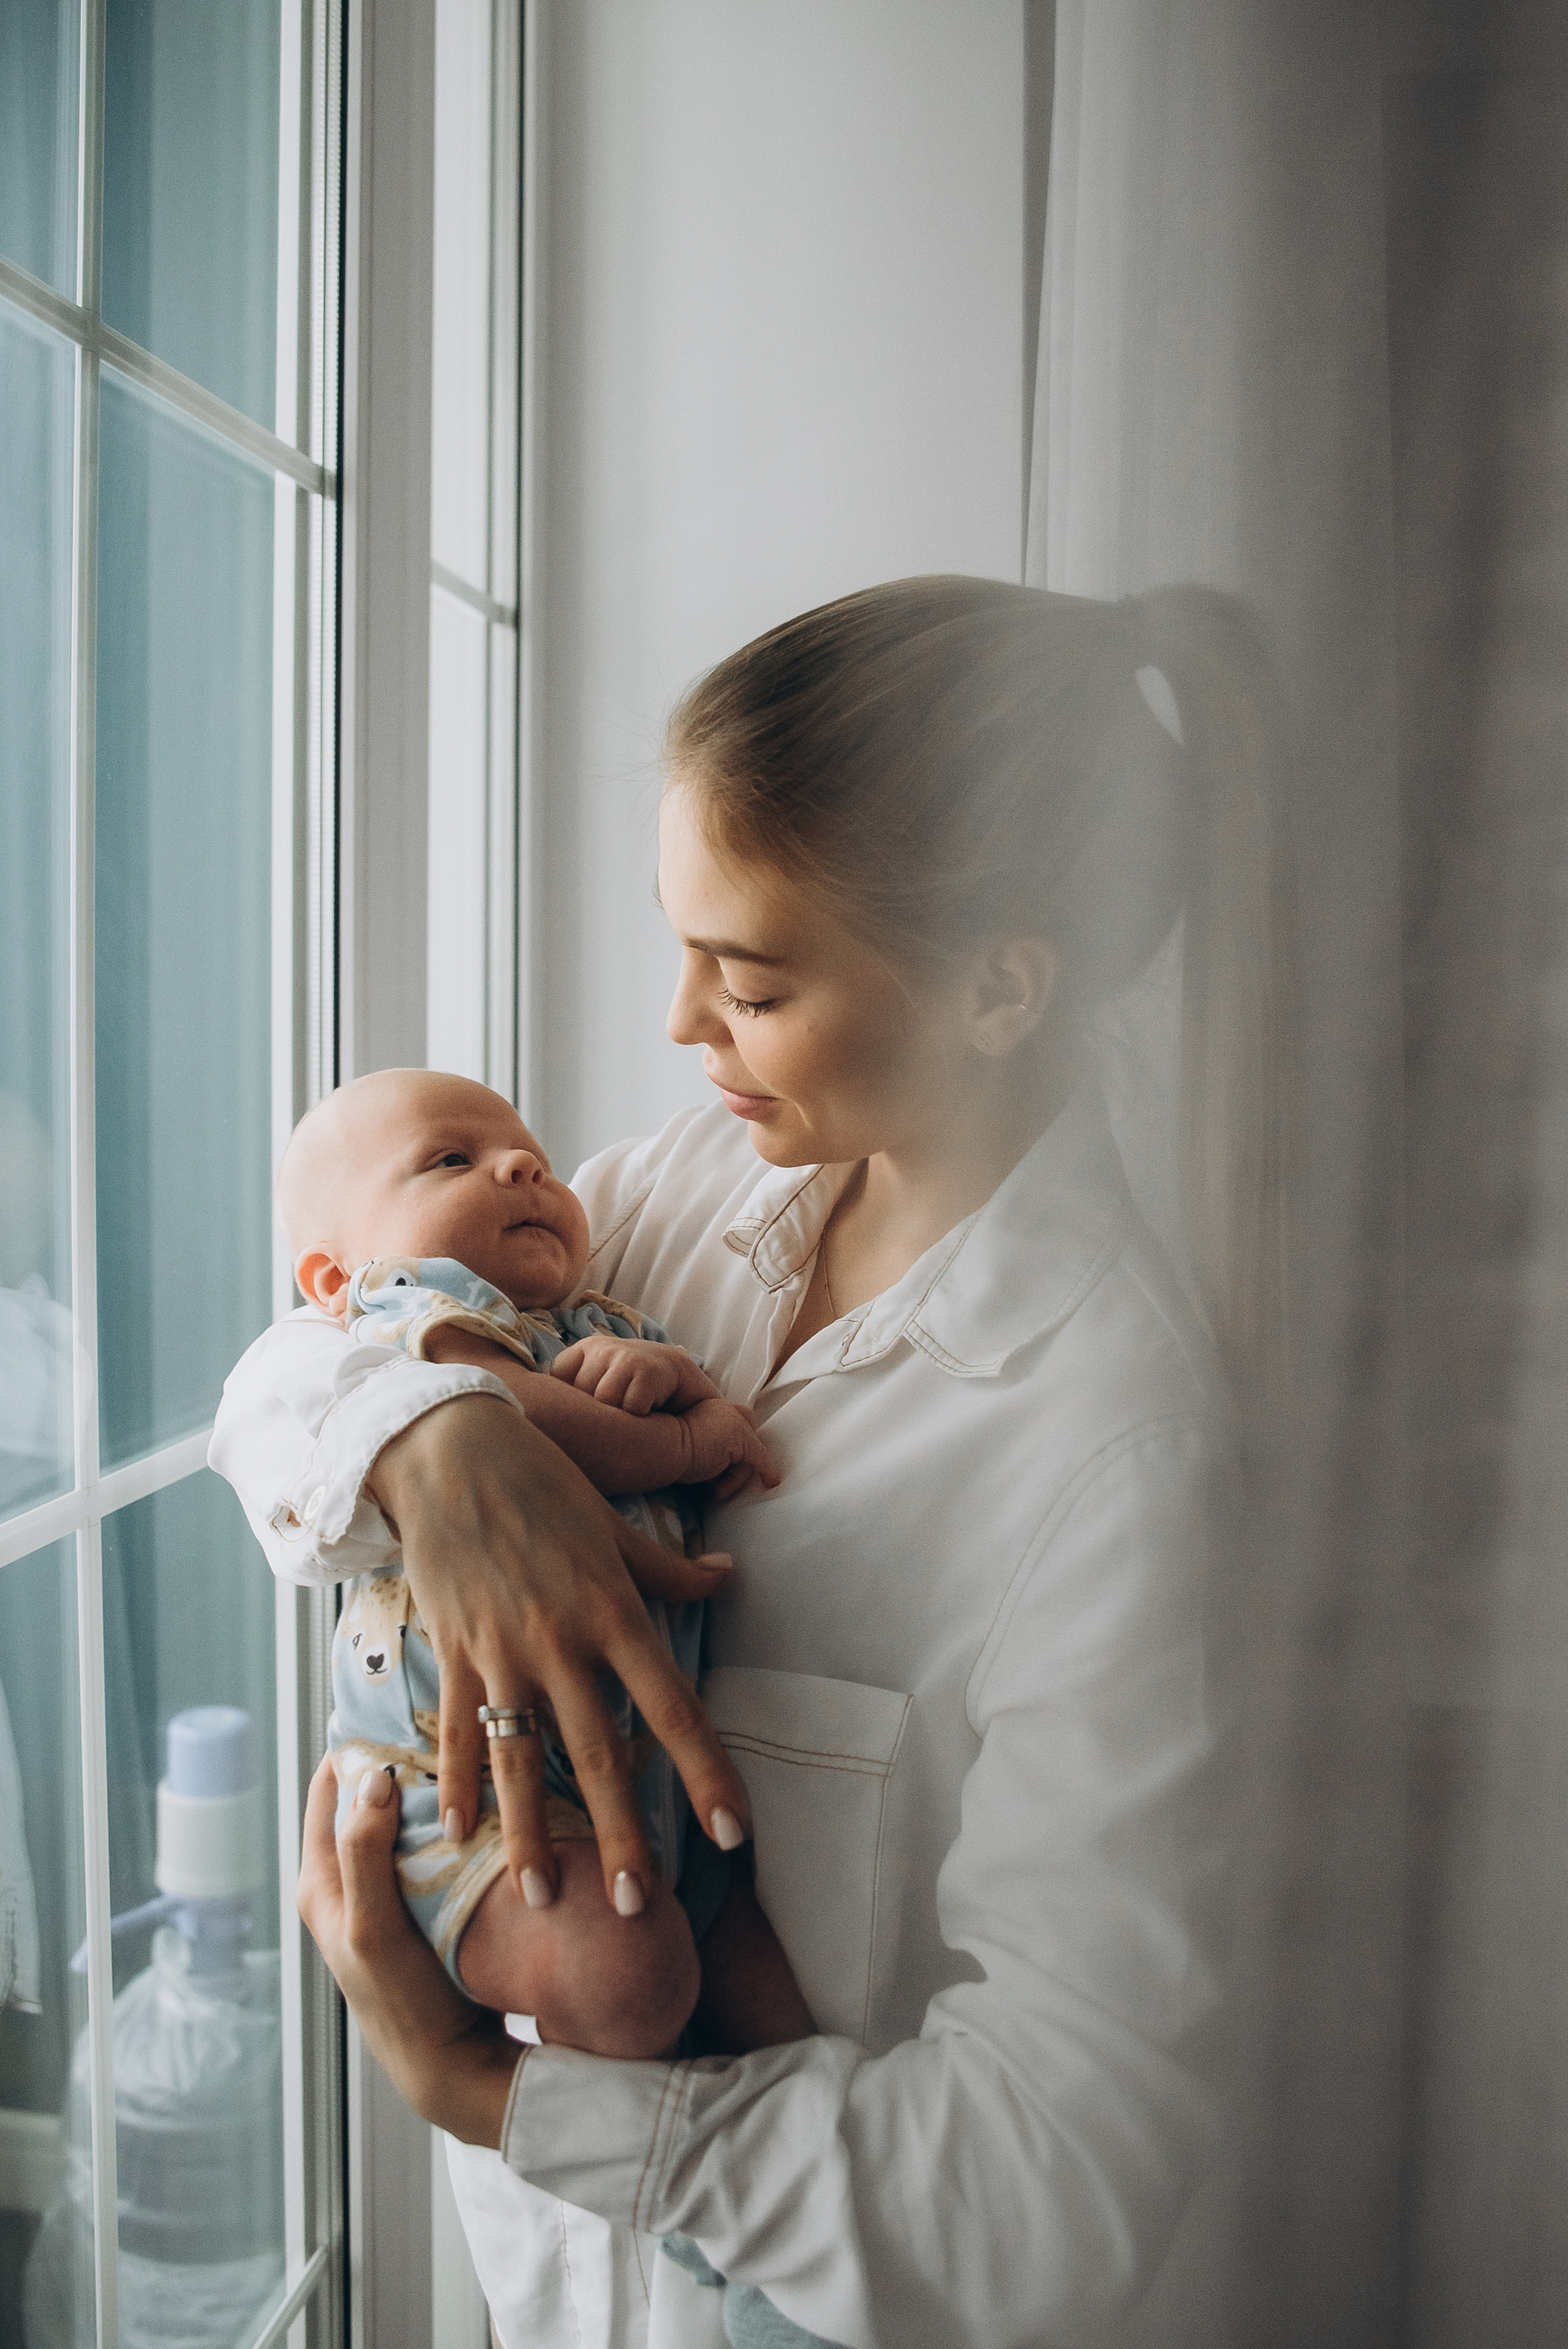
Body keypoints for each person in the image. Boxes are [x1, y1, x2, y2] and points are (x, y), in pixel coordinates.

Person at [212, 575, 1293, 2348]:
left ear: (1002, 988)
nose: (677, 1024)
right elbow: (291, 1359)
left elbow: (1049, 2190)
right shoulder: (662, 1208)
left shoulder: (1114, 1456)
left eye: (751, 976)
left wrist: (484, 2088)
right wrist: (435, 1438)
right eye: (681, 945)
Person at [271, 1066, 809, 2057]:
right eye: (449, 1160)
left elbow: (699, 1408)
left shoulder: (600, 1320)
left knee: (782, 2030)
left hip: (653, 1784)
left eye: (534, 1159)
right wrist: (685, 1444)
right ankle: (583, 2102)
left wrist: (679, 1383)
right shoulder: (407, 1313)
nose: (519, 1164)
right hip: (457, 1788)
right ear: (336, 1277)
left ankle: (685, 2183)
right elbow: (511, 1409)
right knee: (630, 1976)